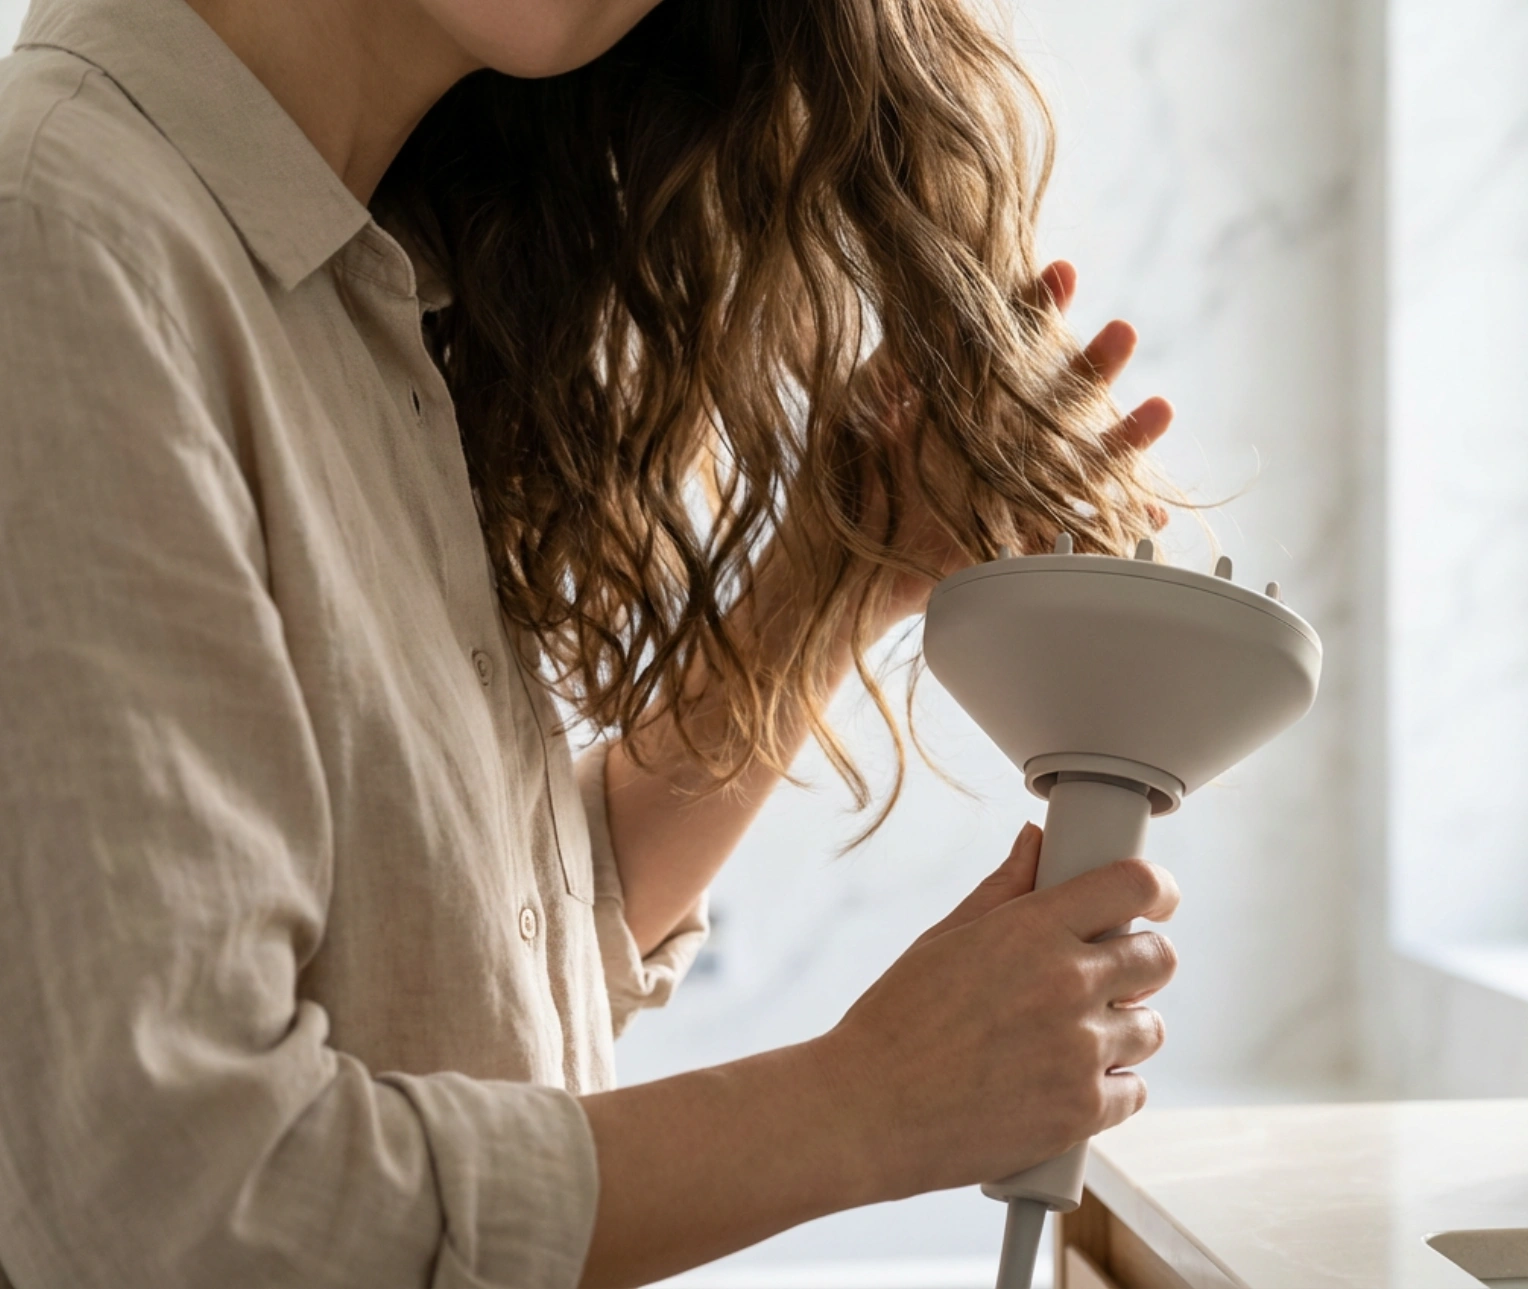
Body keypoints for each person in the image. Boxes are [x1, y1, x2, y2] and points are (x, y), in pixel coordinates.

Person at [0, 0, 1182, 1284]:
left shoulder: (357, 277)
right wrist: (877, 1097)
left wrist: (837, 568)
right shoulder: (61, 246)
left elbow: (472, 954)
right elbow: (189, 1207)